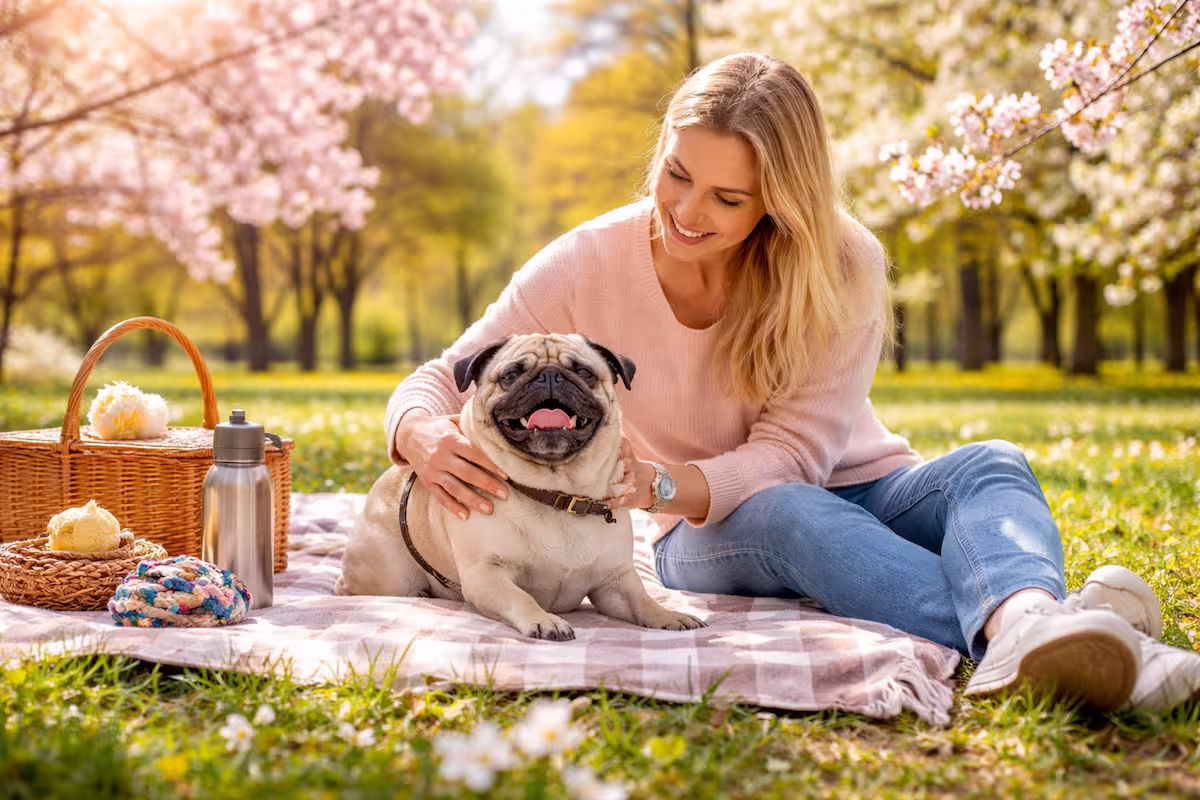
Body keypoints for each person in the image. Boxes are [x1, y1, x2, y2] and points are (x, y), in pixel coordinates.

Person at [385, 52, 1199, 714]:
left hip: (860, 484)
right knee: (786, 514)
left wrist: (661, 475)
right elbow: (437, 377)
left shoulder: (844, 262)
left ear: (779, 198)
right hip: (707, 529)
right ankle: (1087, 637)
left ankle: (1030, 628)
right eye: (676, 175)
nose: (686, 210)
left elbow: (799, 452)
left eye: (727, 197)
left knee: (991, 462)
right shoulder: (589, 259)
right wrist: (419, 435)